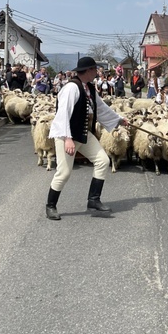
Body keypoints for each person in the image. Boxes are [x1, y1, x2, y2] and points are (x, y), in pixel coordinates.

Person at [45, 56, 129, 220]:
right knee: (64, 172)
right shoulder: (71, 88)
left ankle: (93, 200)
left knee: (103, 161)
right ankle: (50, 206)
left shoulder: (89, 88)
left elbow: (102, 108)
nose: (97, 73)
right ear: (88, 70)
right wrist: (67, 138)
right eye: (95, 70)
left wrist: (119, 119)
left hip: (83, 133)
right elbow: (63, 114)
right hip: (66, 134)